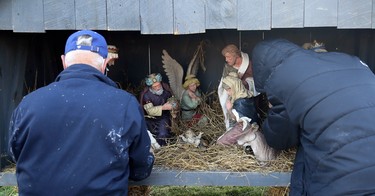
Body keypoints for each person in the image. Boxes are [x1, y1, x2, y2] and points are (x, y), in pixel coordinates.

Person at [8, 30, 154, 195]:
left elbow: (14, 154)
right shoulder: (125, 104)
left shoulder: (28, 104)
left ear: (63, 61)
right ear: (105, 63)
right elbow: (141, 169)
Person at [251, 38, 375, 195]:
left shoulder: (281, 78)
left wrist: (268, 116)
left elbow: (279, 139)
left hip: (342, 181)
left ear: (262, 68)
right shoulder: (348, 60)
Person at [218, 44, 268, 130]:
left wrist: (245, 83)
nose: (226, 60)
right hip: (232, 95)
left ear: (236, 56)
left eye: (228, 57)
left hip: (247, 96)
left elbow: (257, 81)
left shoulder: (250, 66)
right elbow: (224, 80)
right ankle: (232, 125)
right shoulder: (227, 67)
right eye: (225, 57)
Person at [216, 72, 259, 146]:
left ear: (234, 87)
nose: (228, 93)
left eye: (228, 90)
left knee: (220, 142)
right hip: (249, 124)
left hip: (244, 128)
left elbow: (238, 120)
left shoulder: (240, 102)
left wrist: (229, 109)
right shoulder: (246, 95)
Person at [140, 73, 174, 146]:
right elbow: (149, 111)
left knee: (163, 133)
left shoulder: (166, 91)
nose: (158, 88)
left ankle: (162, 147)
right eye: (155, 86)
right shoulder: (147, 95)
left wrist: (173, 104)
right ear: (151, 87)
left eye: (159, 85)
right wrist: (163, 107)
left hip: (163, 117)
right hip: (150, 119)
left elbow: (172, 100)